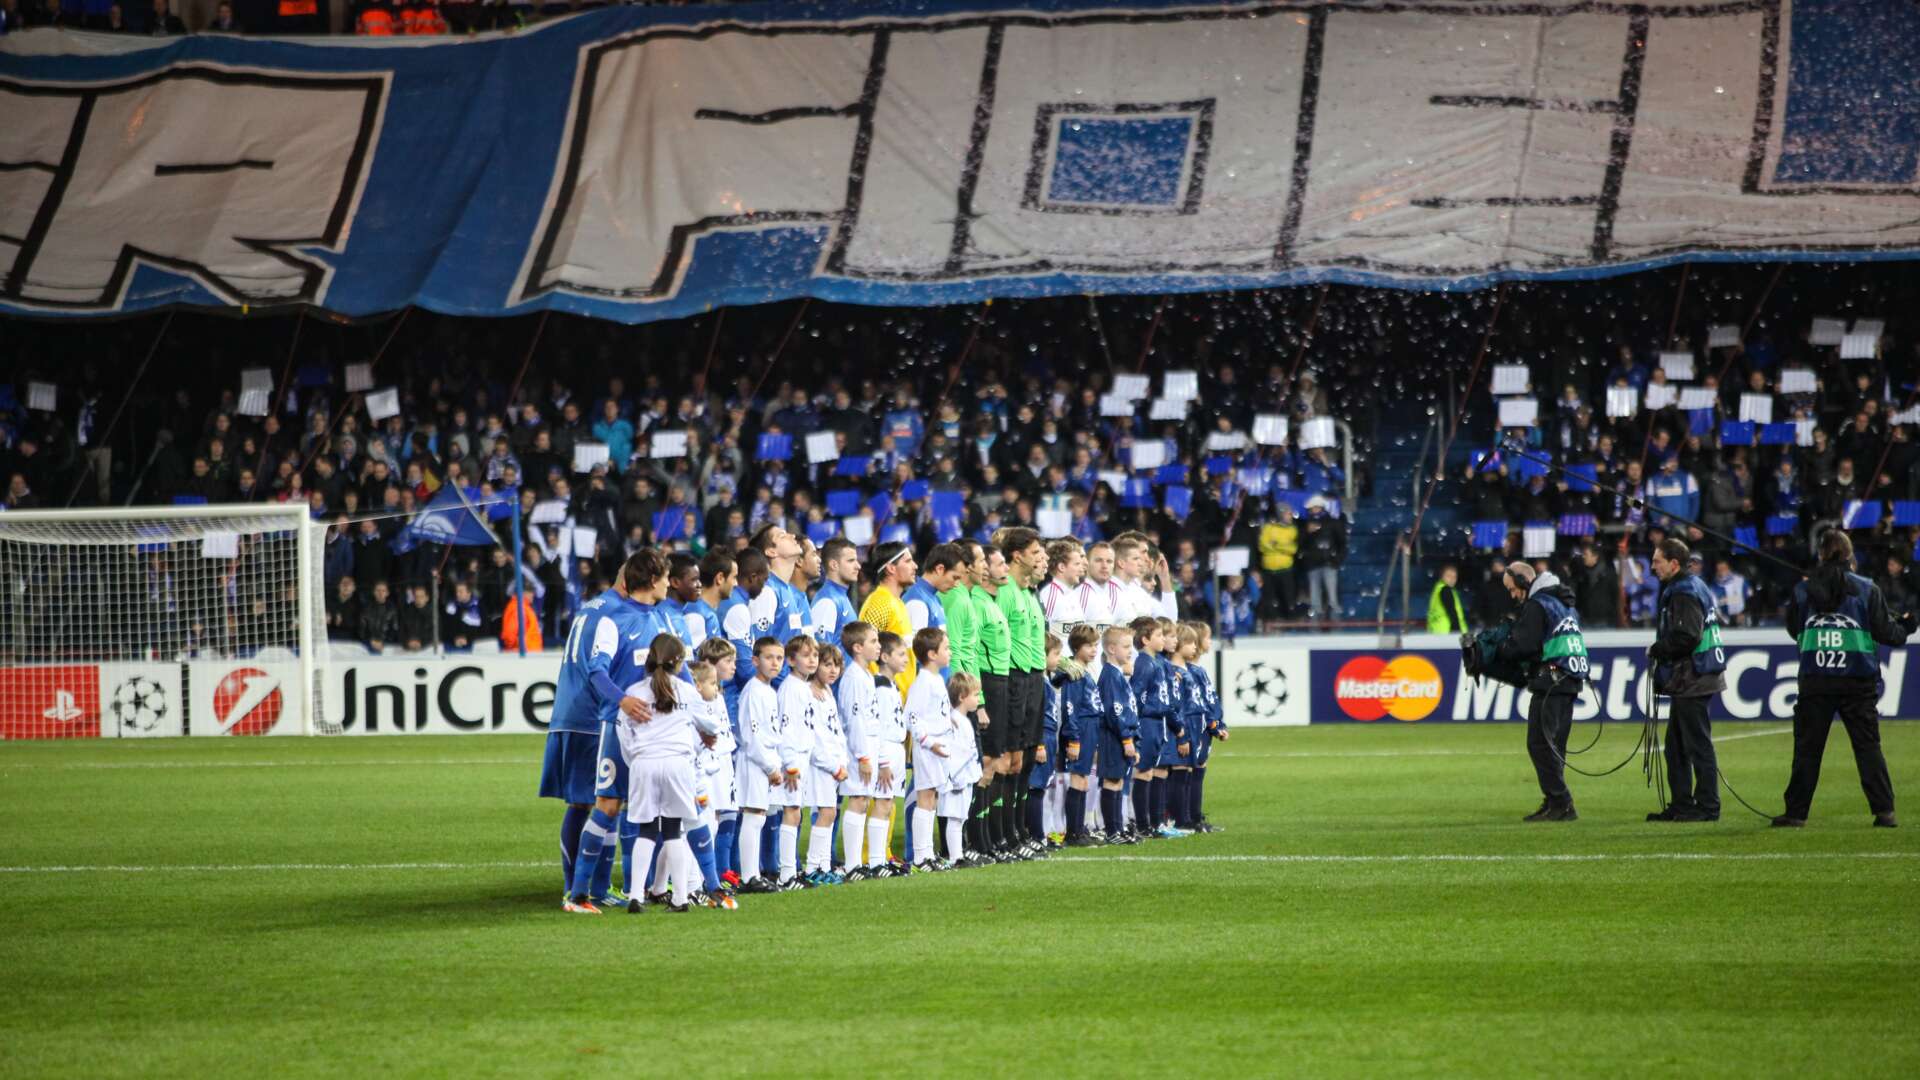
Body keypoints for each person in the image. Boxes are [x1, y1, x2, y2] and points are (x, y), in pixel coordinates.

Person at [1776, 531, 1915, 828]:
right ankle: (1885, 811)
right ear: (1850, 556)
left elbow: (1793, 629)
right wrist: (1907, 627)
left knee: (1807, 751)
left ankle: (1796, 813)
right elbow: (1886, 634)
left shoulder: (1803, 591)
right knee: (1867, 748)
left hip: (1815, 679)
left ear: (1821, 555)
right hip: (1858, 681)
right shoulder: (1867, 589)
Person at [610, 635, 726, 915]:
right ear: (679, 663)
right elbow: (710, 723)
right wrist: (705, 733)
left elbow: (623, 732)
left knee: (646, 830)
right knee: (673, 830)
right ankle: (681, 898)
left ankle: (636, 895)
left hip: (645, 763)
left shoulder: (634, 691)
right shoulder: (686, 691)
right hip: (678, 764)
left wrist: (635, 759)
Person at [1491, 561, 1592, 823]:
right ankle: (1554, 802)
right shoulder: (1563, 601)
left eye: (1513, 589)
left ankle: (1561, 802)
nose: (1513, 596)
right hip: (1569, 678)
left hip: (1552, 680)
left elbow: (1524, 645)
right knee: (1555, 744)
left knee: (1539, 743)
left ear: (1525, 582)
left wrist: (1500, 648)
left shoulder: (1538, 604)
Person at [1646, 538, 1727, 822]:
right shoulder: (1694, 585)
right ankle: (1682, 804)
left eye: (1657, 561)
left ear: (1674, 563)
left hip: (1695, 675)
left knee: (1695, 744)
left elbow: (1687, 636)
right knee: (1678, 746)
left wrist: (1658, 649)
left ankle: (1707, 806)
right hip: (1699, 674)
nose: (1652, 567)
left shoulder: (1683, 591)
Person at [997, 527, 1051, 855]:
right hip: (1015, 679)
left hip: (1033, 678)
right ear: (1017, 556)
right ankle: (1004, 835)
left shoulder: (1029, 594)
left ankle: (1018, 832)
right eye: (1035, 553)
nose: (1039, 559)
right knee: (1011, 760)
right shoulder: (1005, 593)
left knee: (1027, 760)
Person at [732, 637, 786, 894]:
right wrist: (769, 767)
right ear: (755, 661)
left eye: (779, 658)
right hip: (754, 762)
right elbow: (750, 736)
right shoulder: (753, 691)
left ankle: (752, 874)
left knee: (759, 818)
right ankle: (748, 876)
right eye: (769, 657)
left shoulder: (769, 690)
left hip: (765, 761)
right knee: (753, 817)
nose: (775, 663)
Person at [771, 634, 823, 889]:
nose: (812, 660)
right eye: (805, 655)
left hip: (803, 756)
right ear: (791, 661)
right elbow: (787, 728)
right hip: (793, 758)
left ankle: (791, 870)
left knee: (796, 813)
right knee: (790, 812)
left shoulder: (803, 686)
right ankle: (786, 874)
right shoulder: (791, 688)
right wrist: (790, 763)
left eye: (815, 655)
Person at [798, 645, 850, 885]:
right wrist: (833, 765)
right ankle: (812, 867)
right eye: (827, 664)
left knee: (830, 812)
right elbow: (815, 737)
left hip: (833, 764)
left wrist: (843, 761)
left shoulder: (828, 692)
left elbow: (836, 731)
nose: (833, 670)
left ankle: (823, 865)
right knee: (826, 812)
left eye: (836, 665)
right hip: (820, 766)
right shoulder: (809, 693)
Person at [905, 628, 956, 871]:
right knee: (924, 798)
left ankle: (928, 854)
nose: (950, 652)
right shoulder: (923, 681)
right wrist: (928, 742)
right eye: (946, 648)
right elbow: (912, 717)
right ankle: (920, 856)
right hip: (929, 749)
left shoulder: (936, 678)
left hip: (940, 746)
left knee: (932, 798)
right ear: (932, 654)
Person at [1095, 626, 1142, 843]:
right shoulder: (1110, 676)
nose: (1130, 651)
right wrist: (1126, 738)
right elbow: (1115, 711)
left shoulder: (1118, 674)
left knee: (1119, 782)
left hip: (1123, 736)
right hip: (1113, 737)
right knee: (1112, 781)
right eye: (1126, 646)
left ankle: (1118, 827)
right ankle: (1112, 830)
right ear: (1111, 649)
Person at [1059, 625, 1103, 846]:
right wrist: (1074, 738)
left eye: (1096, 645)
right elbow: (1070, 708)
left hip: (1091, 729)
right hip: (1081, 730)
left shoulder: (1085, 671)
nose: (1094, 650)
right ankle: (1073, 832)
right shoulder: (1074, 673)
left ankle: (1080, 829)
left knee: (1084, 780)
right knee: (1077, 779)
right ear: (1076, 647)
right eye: (1089, 645)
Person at [858, 542, 918, 692]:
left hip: (902, 701)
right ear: (891, 568)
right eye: (908, 561)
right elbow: (864, 651)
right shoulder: (879, 603)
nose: (915, 566)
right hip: (887, 699)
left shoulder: (897, 602)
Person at [942, 672, 987, 867]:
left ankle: (958, 853)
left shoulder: (965, 720)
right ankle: (955, 857)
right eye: (975, 695)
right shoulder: (954, 721)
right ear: (962, 696)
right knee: (955, 817)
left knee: (960, 817)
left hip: (965, 778)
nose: (978, 699)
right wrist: (958, 777)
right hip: (957, 779)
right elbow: (956, 753)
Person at [809, 537, 859, 643]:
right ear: (834, 565)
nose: (858, 566)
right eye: (851, 561)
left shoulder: (840, 596)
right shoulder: (827, 601)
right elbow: (821, 651)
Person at [1038, 539, 1087, 626]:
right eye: (1077, 564)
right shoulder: (1049, 595)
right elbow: (1044, 633)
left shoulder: (1074, 594)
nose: (1081, 569)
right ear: (1062, 567)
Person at [1426, 563, 1468, 634]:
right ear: (1442, 576)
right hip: (1447, 631)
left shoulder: (1438, 589)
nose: (1452, 579)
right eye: (1448, 576)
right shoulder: (1445, 590)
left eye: (1454, 577)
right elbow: (1452, 611)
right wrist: (1457, 630)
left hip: (1437, 630)